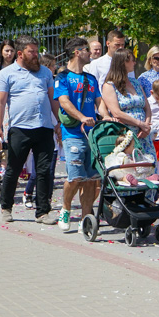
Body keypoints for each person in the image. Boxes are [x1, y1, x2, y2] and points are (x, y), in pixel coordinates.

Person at [0, 35, 61, 224]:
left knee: (43, 171)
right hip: (20, 128)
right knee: (13, 170)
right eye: (32, 52)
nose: (36, 55)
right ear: (21, 53)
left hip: (44, 127)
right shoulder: (7, 74)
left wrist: (58, 123)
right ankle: (6, 207)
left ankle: (42, 212)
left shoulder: (46, 73)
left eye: (36, 51)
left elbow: (52, 99)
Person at [54, 37, 102, 233]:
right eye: (86, 50)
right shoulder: (63, 77)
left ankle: (86, 217)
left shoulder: (91, 78)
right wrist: (82, 117)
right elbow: (64, 102)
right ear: (77, 52)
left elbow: (100, 102)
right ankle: (65, 209)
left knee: (91, 179)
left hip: (92, 134)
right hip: (73, 133)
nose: (90, 53)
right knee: (75, 177)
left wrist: (107, 116)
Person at [101, 49, 150, 137]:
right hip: (125, 134)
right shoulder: (109, 86)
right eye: (132, 60)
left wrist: (146, 126)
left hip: (143, 134)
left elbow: (147, 108)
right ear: (124, 62)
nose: (134, 63)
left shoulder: (135, 83)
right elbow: (116, 113)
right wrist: (139, 124)